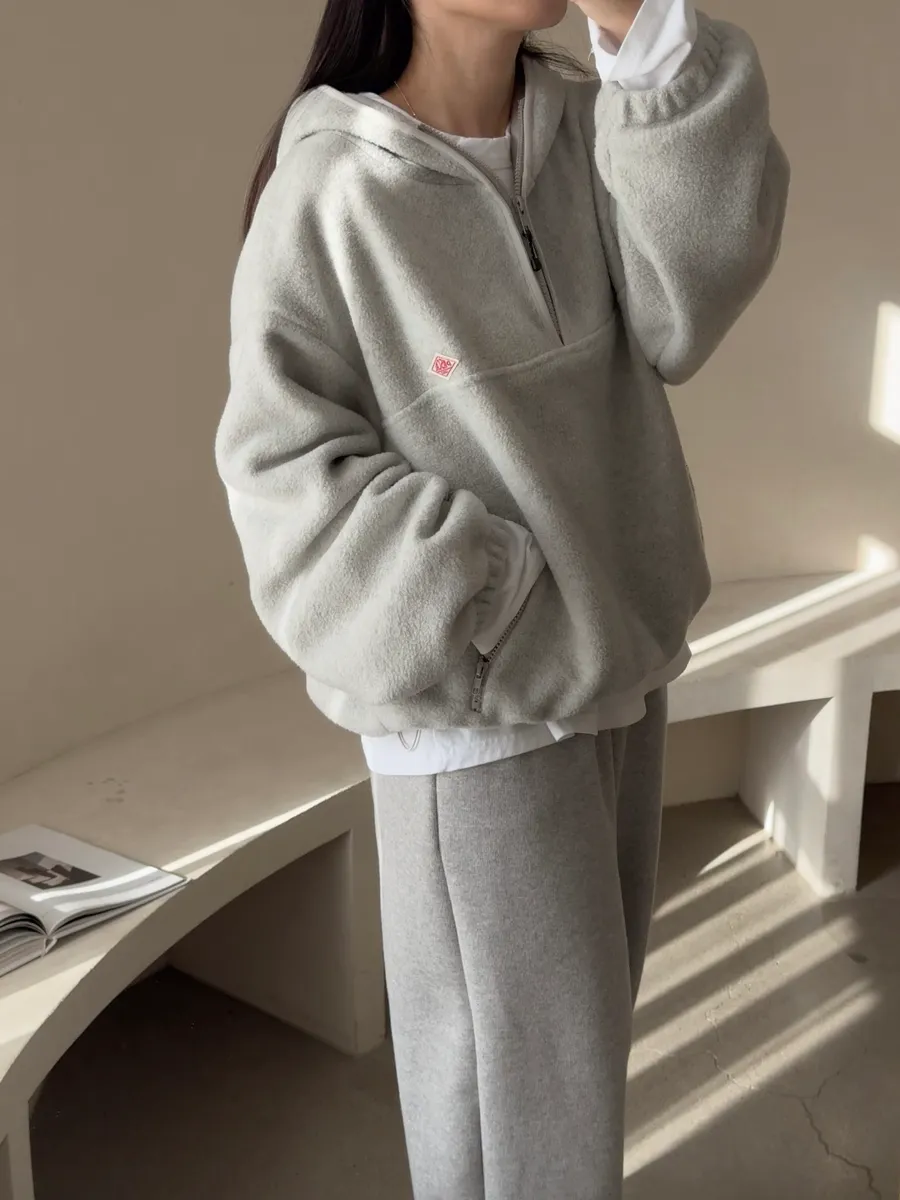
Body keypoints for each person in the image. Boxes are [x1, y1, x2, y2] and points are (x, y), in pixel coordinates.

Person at [216, 0, 789, 1194]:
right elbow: (280, 475)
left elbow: (685, 308)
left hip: (620, 679)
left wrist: (650, 42)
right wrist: (485, 597)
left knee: (570, 1101)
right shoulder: (332, 186)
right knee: (512, 1139)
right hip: (479, 724)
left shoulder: (589, 126)